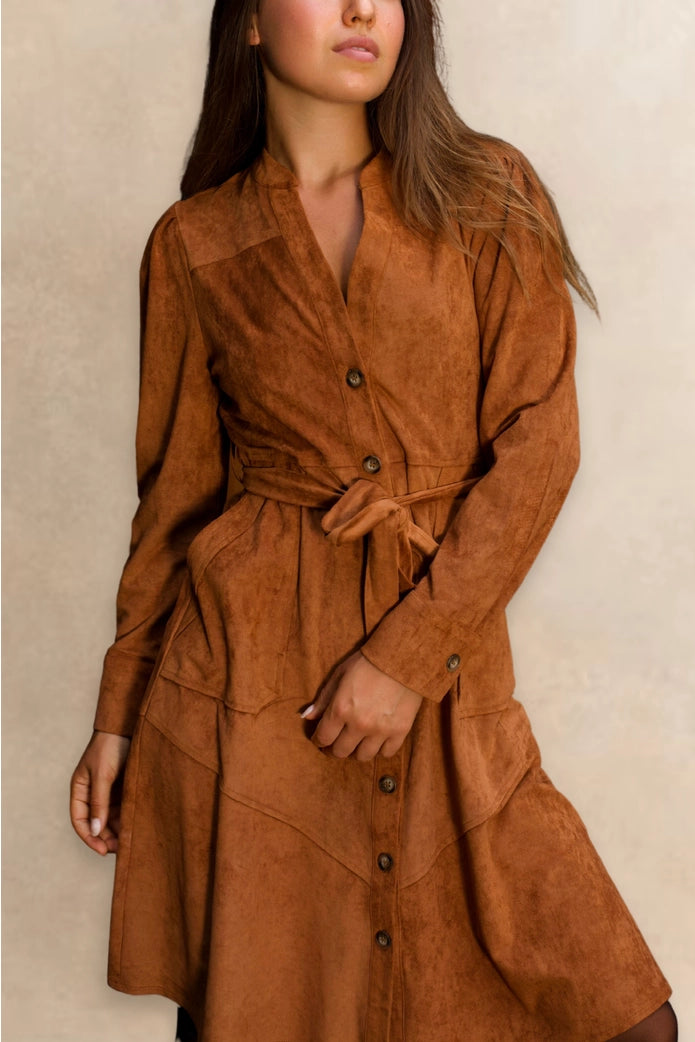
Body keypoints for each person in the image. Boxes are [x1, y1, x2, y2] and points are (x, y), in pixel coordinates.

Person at [69, 2, 678, 1040]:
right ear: (249, 23)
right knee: (268, 1000)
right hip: (250, 693)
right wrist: (116, 715)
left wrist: (407, 655)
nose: (362, 9)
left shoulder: (486, 195)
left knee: (625, 1021)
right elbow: (173, 503)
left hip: (447, 678)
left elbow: (540, 445)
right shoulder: (196, 243)